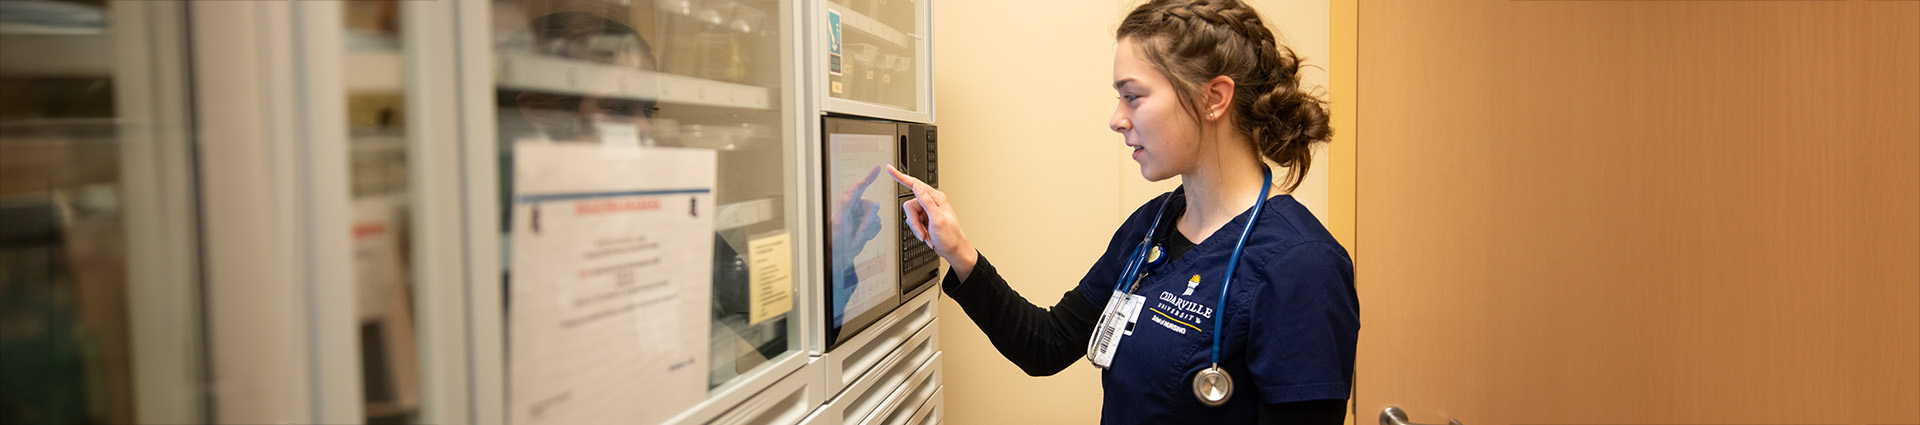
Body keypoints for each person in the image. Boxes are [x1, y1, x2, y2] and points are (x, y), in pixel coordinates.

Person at [885, 0, 1356, 423]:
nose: (1116, 118)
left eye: (1133, 95)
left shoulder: (1302, 266)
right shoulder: (1152, 226)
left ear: (1214, 98)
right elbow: (1046, 345)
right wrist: (959, 252)